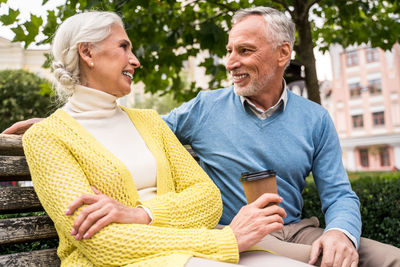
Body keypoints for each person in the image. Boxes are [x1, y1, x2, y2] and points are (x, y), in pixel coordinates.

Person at [5, 7, 400, 267]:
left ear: (283, 54)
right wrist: (55, 123)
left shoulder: (315, 118)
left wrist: (340, 233)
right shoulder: (203, 107)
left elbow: (338, 193)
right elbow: (109, 134)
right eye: (229, 51)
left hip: (292, 226)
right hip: (226, 234)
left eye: (244, 51)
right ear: (87, 53)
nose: (230, 63)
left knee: (384, 259)